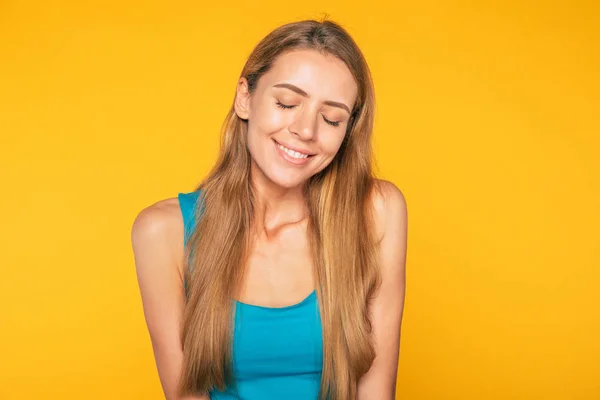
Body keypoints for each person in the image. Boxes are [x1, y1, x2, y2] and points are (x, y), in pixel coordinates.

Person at [131, 18, 408, 400]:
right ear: (245, 97)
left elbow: (376, 390)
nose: (306, 131)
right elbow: (186, 395)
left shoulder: (377, 213)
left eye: (331, 118)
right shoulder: (163, 232)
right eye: (287, 103)